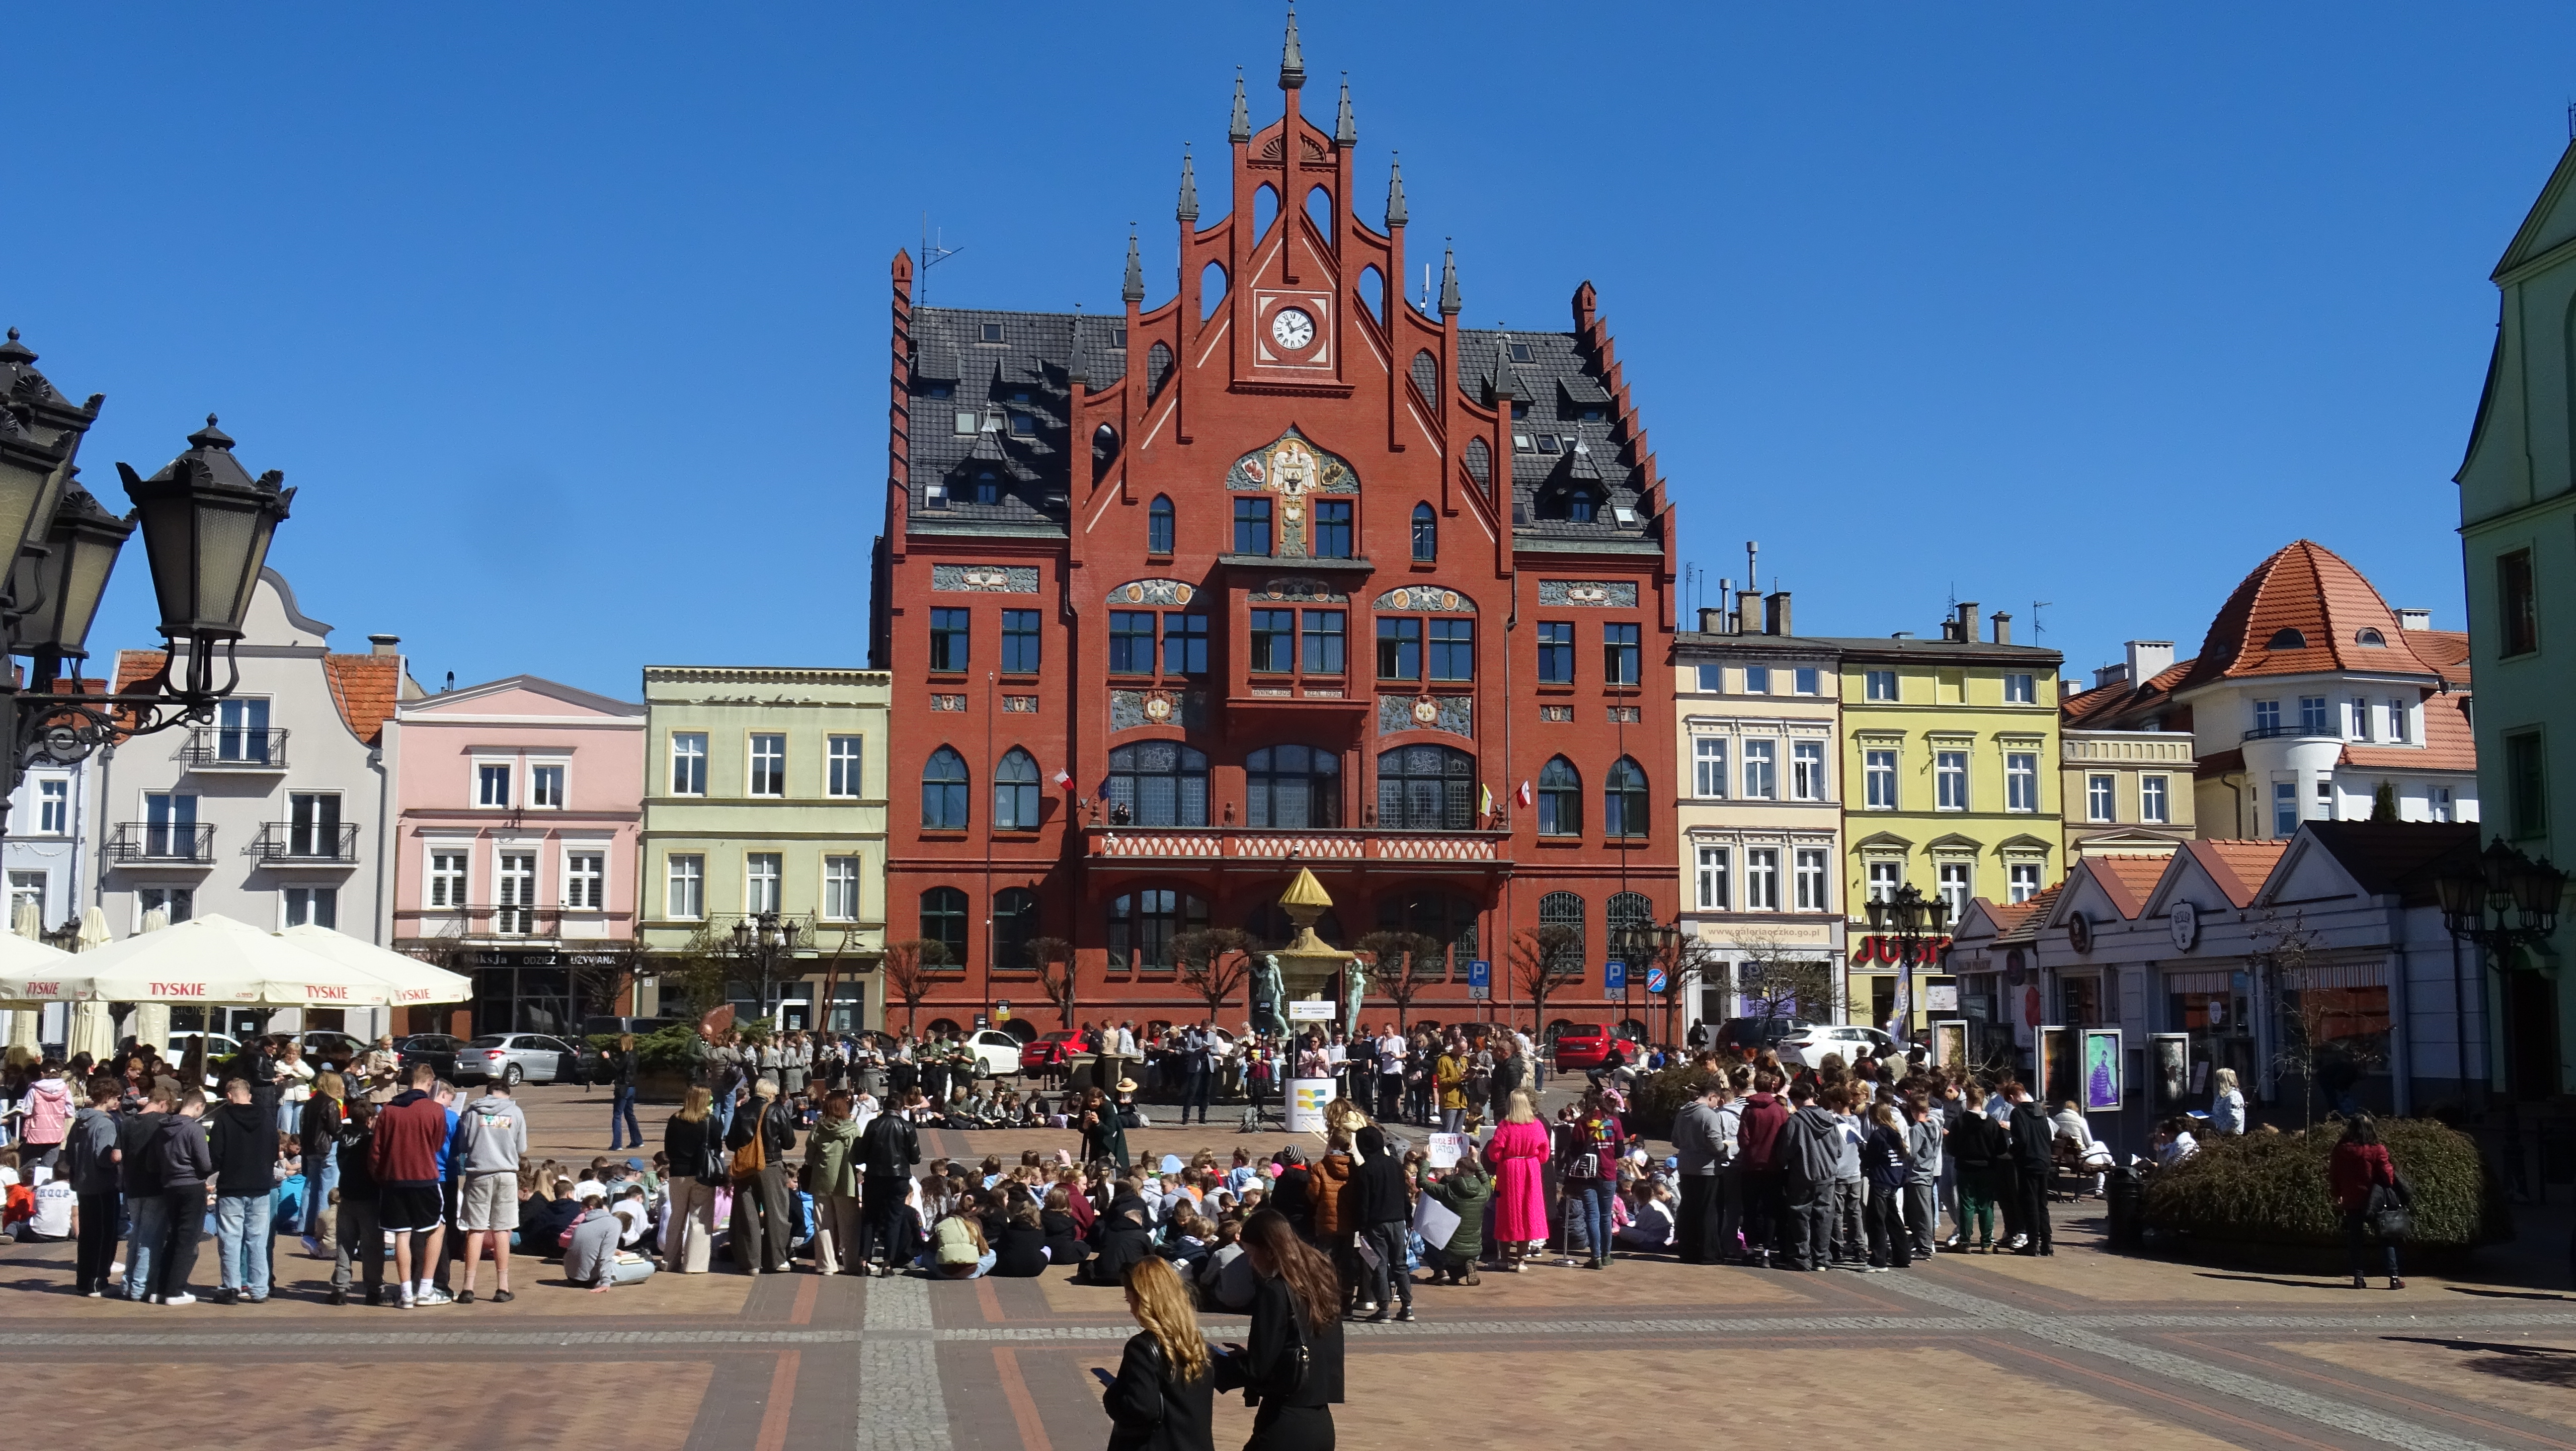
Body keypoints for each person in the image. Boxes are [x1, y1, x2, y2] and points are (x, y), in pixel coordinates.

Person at [1216, 1209, 1345, 1451]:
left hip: (1284, 1421)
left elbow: (1258, 1369)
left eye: (1251, 1253)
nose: (1251, 1263)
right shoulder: (1319, 1281)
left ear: (1269, 1250)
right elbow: (1300, 1347)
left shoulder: (1275, 1291)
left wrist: (1214, 1363)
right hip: (1319, 1418)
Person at [1103, 1254, 1218, 1451]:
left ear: (1145, 1301)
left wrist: (1113, 1396)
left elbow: (1141, 1408)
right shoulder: (1194, 1342)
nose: (1131, 1310)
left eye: (1130, 1302)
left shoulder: (1143, 1347)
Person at [372, 1060, 455, 1307]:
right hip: (424, 1177)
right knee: (437, 1229)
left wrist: (381, 1175)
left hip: (394, 1179)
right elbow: (438, 1143)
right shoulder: (434, 1110)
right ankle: (427, 1288)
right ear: (429, 1084)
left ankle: (406, 1292)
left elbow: (377, 1150)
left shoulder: (388, 1109)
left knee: (401, 1234)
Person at [452, 1078, 528, 1303]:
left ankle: (468, 1288)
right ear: (507, 1093)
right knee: (502, 1230)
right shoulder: (515, 1112)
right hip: (505, 1174)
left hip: (479, 1174)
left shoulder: (473, 1112)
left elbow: (463, 1144)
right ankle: (502, 1287)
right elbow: (521, 1147)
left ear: (488, 1093)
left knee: (475, 1229)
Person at [208, 1076, 279, 1303]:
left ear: (229, 1096)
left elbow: (215, 1156)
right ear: (248, 1095)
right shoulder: (266, 1117)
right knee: (258, 1240)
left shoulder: (223, 1118)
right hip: (260, 1185)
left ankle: (231, 1287)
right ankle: (259, 1289)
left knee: (230, 1239)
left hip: (231, 1186)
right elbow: (273, 1150)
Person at [148, 1092, 214, 1305]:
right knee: (188, 1240)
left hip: (169, 1185)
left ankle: (160, 1288)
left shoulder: (162, 1128)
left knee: (174, 1236)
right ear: (198, 1106)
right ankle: (175, 1291)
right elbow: (205, 1164)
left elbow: (153, 1163)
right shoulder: (195, 1129)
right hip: (191, 1185)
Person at [727, 1076, 797, 1274]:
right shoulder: (776, 1110)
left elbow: (732, 1143)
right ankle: (776, 1260)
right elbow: (790, 1142)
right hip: (771, 1165)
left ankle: (752, 1263)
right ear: (770, 1094)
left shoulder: (741, 1111)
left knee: (747, 1215)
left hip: (745, 1168)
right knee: (777, 1214)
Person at [2330, 1116, 2404, 1290]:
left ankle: (2358, 1277)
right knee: (2386, 1238)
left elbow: (2334, 1174)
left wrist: (2337, 1193)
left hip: (2352, 1199)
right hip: (2375, 1200)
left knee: (2355, 1239)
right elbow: (2388, 1175)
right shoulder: (2377, 1149)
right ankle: (2394, 1278)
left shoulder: (2341, 1149)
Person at [1347, 1123, 1413, 1320]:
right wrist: (1409, 1216)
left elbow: (1364, 1201)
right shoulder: (1395, 1164)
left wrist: (1362, 1226)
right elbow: (1404, 1193)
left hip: (1377, 1223)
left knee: (1380, 1264)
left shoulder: (1366, 1169)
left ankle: (1384, 1309)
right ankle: (1407, 1306)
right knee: (1400, 1264)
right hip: (1398, 1219)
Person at [65, 1076, 122, 1296]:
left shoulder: (79, 1122)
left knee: (88, 1234)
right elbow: (103, 1157)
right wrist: (118, 1160)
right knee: (105, 1234)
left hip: (83, 1185)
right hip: (102, 1185)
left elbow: (69, 1155)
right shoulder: (105, 1123)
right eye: (116, 1097)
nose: (118, 1102)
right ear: (107, 1097)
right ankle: (99, 1281)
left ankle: (84, 1280)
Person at [857, 1089, 923, 1276]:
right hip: (899, 1177)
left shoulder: (873, 1124)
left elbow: (861, 1154)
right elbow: (916, 1158)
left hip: (875, 1176)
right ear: (901, 1108)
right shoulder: (908, 1127)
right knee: (894, 1219)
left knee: (869, 1219)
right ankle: (888, 1264)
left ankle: (863, 1261)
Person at [1483, 1089, 1549, 1273]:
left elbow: (1495, 1154)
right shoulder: (1536, 1125)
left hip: (1510, 1171)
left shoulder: (1505, 1126)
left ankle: (1503, 1259)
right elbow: (1544, 1154)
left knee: (1507, 1213)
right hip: (1531, 1169)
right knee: (1528, 1212)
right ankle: (1521, 1261)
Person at [1561, 1089, 1628, 1270]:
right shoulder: (1614, 1122)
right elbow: (1621, 1151)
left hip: (1588, 1175)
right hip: (1609, 1173)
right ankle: (1607, 1255)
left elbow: (1574, 1150)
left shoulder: (1582, 1122)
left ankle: (1595, 1257)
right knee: (1606, 1216)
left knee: (1592, 1215)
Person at [1776, 1080, 1838, 1272]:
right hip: (1827, 1175)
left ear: (1795, 1100)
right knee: (1824, 1216)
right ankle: (1822, 1258)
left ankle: (1802, 1257)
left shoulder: (1796, 1121)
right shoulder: (1830, 1118)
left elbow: (1787, 1150)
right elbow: (1839, 1148)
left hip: (1803, 1174)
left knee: (1800, 1214)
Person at [1668, 1077, 1728, 1265]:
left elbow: (1675, 1141)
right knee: (1708, 1211)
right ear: (1712, 1097)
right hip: (1706, 1169)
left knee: (1688, 1208)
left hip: (1686, 1166)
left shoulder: (1683, 1112)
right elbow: (1717, 1145)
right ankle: (1708, 1253)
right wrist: (1726, 1149)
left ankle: (1688, 1250)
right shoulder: (1709, 1115)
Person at [331, 1097, 385, 1305]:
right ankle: (373, 1289)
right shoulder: (370, 1139)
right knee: (372, 1246)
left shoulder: (343, 1139)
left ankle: (340, 1288)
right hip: (369, 1195)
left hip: (347, 1194)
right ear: (370, 1119)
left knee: (345, 1243)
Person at [804, 1089, 864, 1275]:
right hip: (846, 1179)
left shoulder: (818, 1128)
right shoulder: (852, 1128)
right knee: (849, 1224)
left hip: (822, 1179)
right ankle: (851, 1264)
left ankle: (826, 1265)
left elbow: (809, 1156)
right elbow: (859, 1155)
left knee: (823, 1223)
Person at [661, 1086, 721, 1273]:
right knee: (700, 1218)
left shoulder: (675, 1119)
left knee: (676, 1217)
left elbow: (668, 1149)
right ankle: (694, 1264)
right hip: (702, 1173)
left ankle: (669, 1260)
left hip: (678, 1173)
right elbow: (717, 1148)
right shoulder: (709, 1121)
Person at [1945, 1083, 2010, 1252]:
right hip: (1987, 1168)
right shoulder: (1992, 1124)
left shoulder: (1959, 1122)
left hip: (1965, 1167)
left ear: (1968, 1101)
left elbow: (1951, 1148)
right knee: (1986, 1205)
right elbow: (2002, 1148)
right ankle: (1987, 1243)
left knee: (1966, 1204)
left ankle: (1965, 1241)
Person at [1735, 1070, 1790, 1268]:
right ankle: (1767, 1251)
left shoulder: (1748, 1110)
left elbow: (1743, 1139)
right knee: (1771, 1210)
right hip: (1773, 1167)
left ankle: (1750, 1249)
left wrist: (1749, 1151)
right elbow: (1785, 1139)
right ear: (1773, 1086)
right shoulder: (1780, 1111)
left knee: (1749, 1209)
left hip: (1750, 1166)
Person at [2003, 1081, 2055, 1256]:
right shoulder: (2040, 1110)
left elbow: (2022, 1139)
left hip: (2028, 1162)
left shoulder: (2017, 1113)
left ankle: (2033, 1243)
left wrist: (2012, 1152)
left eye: (2010, 1102)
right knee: (2042, 1204)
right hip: (2044, 1160)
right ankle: (2047, 1243)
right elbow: (2049, 1135)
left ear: (2012, 1098)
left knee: (2030, 1203)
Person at [1860, 1103, 1913, 1271]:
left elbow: (1871, 1159)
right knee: (1894, 1219)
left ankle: (1878, 1260)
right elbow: (1903, 1159)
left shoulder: (1878, 1136)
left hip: (1880, 1180)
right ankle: (1903, 1256)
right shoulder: (1895, 1134)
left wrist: (1864, 1155)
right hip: (1893, 1181)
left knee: (1876, 1221)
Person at [607, 1034, 644, 1150]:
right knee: (629, 1114)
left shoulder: (626, 1055)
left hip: (624, 1087)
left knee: (617, 1115)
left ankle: (617, 1144)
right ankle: (637, 1141)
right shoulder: (634, 1055)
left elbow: (617, 1068)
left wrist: (608, 1058)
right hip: (632, 1087)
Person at [2208, 1067, 2246, 1136]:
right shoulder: (2223, 1095)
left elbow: (2235, 1118)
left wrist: (2221, 1129)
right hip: (2221, 1133)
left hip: (2231, 1135)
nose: (2216, 1082)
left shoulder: (2234, 1095)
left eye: (2218, 1079)